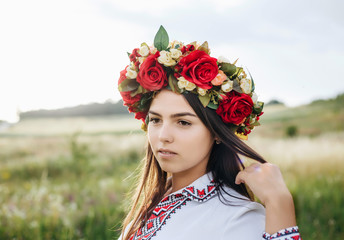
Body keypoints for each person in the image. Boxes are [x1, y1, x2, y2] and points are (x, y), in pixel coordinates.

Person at [117, 26, 301, 240]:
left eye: (183, 122)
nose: (163, 136)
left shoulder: (239, 218)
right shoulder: (152, 204)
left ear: (217, 132)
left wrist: (280, 203)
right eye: (156, 120)